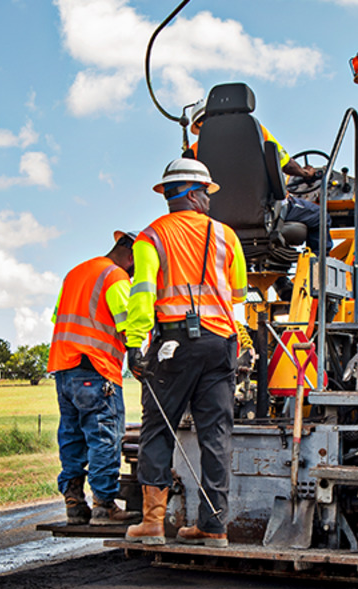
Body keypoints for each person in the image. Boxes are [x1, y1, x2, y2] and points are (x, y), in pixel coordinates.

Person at [124, 158, 248, 548]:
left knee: (159, 429)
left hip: (174, 345)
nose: (209, 201)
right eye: (206, 194)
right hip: (221, 344)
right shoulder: (227, 237)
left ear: (169, 195)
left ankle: (153, 524)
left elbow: (143, 294)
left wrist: (134, 343)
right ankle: (214, 526)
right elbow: (239, 295)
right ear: (192, 194)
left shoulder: (151, 238)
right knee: (216, 434)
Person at [48, 231, 141, 526]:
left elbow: (58, 318)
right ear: (131, 254)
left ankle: (74, 505)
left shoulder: (75, 273)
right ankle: (104, 506)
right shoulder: (115, 278)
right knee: (105, 435)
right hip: (96, 369)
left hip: (64, 369)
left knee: (72, 436)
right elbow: (128, 326)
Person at [187, 101, 331, 255]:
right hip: (267, 211)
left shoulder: (195, 151)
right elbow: (286, 163)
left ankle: (269, 274)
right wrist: (305, 173)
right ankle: (318, 271)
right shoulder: (257, 133)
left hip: (218, 218)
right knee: (320, 215)